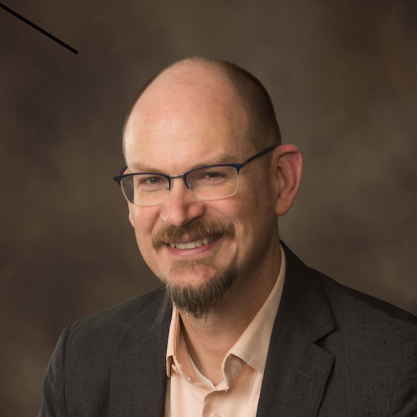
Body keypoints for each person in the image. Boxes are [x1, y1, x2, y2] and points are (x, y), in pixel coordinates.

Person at [39, 57, 417, 417]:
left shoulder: (396, 366)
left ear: (281, 180)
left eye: (211, 174)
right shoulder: (82, 362)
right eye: (151, 180)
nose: (177, 213)